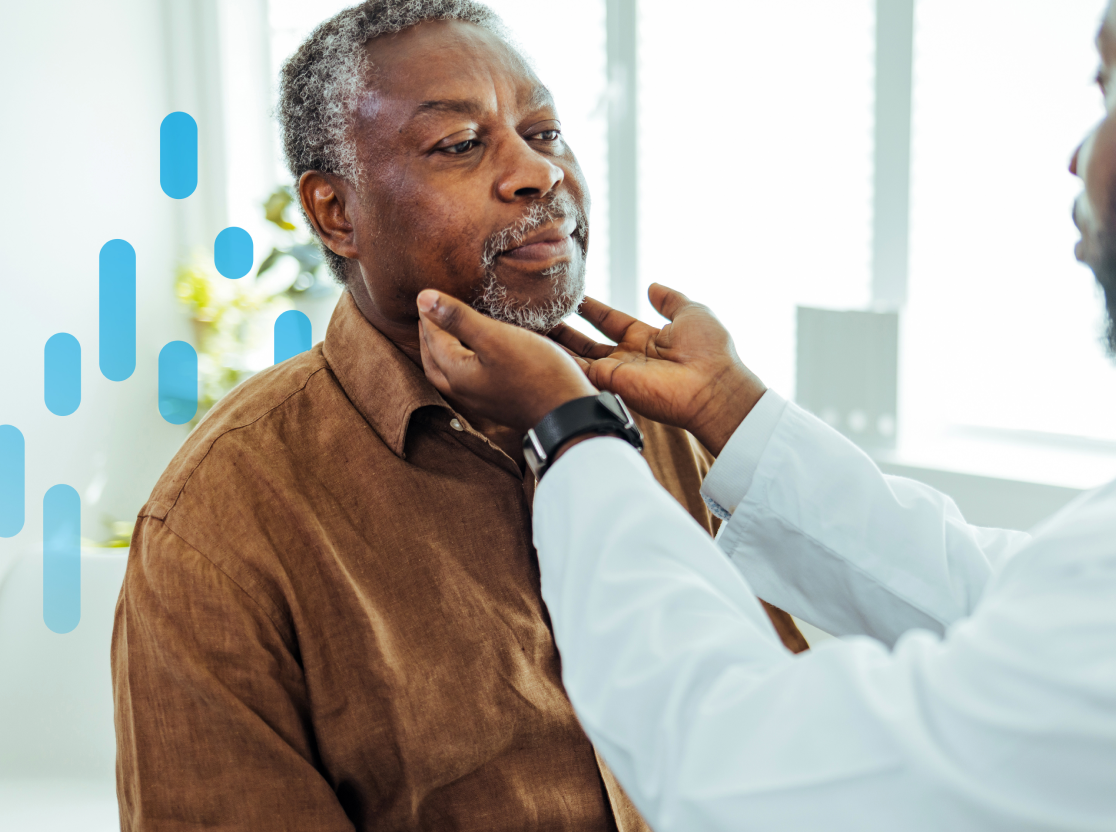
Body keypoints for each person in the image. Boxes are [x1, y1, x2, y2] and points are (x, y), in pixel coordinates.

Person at [411, 0, 1116, 828]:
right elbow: (1017, 599)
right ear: (341, 212)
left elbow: (744, 768)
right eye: (458, 142)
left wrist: (573, 432)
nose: (1077, 156)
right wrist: (733, 412)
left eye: (1113, 90)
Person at [111, 2, 806, 829]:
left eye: (544, 132)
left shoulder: (658, 418)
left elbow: (791, 743)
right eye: (461, 144)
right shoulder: (219, 524)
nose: (538, 174)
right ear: (337, 213)